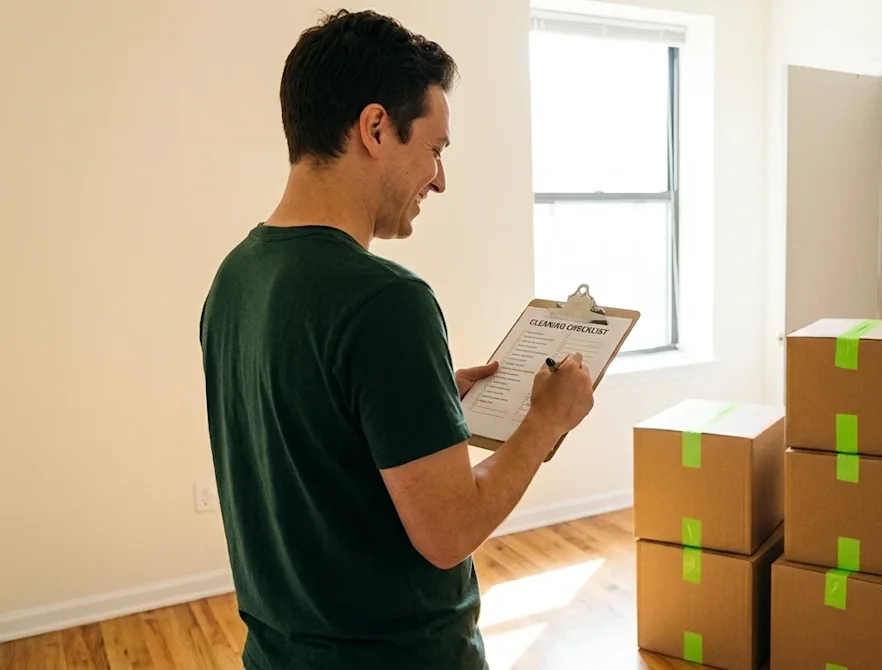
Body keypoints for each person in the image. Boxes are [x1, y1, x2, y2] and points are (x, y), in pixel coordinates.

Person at [198, 9, 595, 669]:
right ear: (376, 127)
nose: (439, 179)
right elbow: (450, 533)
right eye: (435, 148)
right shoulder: (386, 301)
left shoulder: (236, 277)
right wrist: (544, 421)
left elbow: (318, 442)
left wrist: (423, 401)